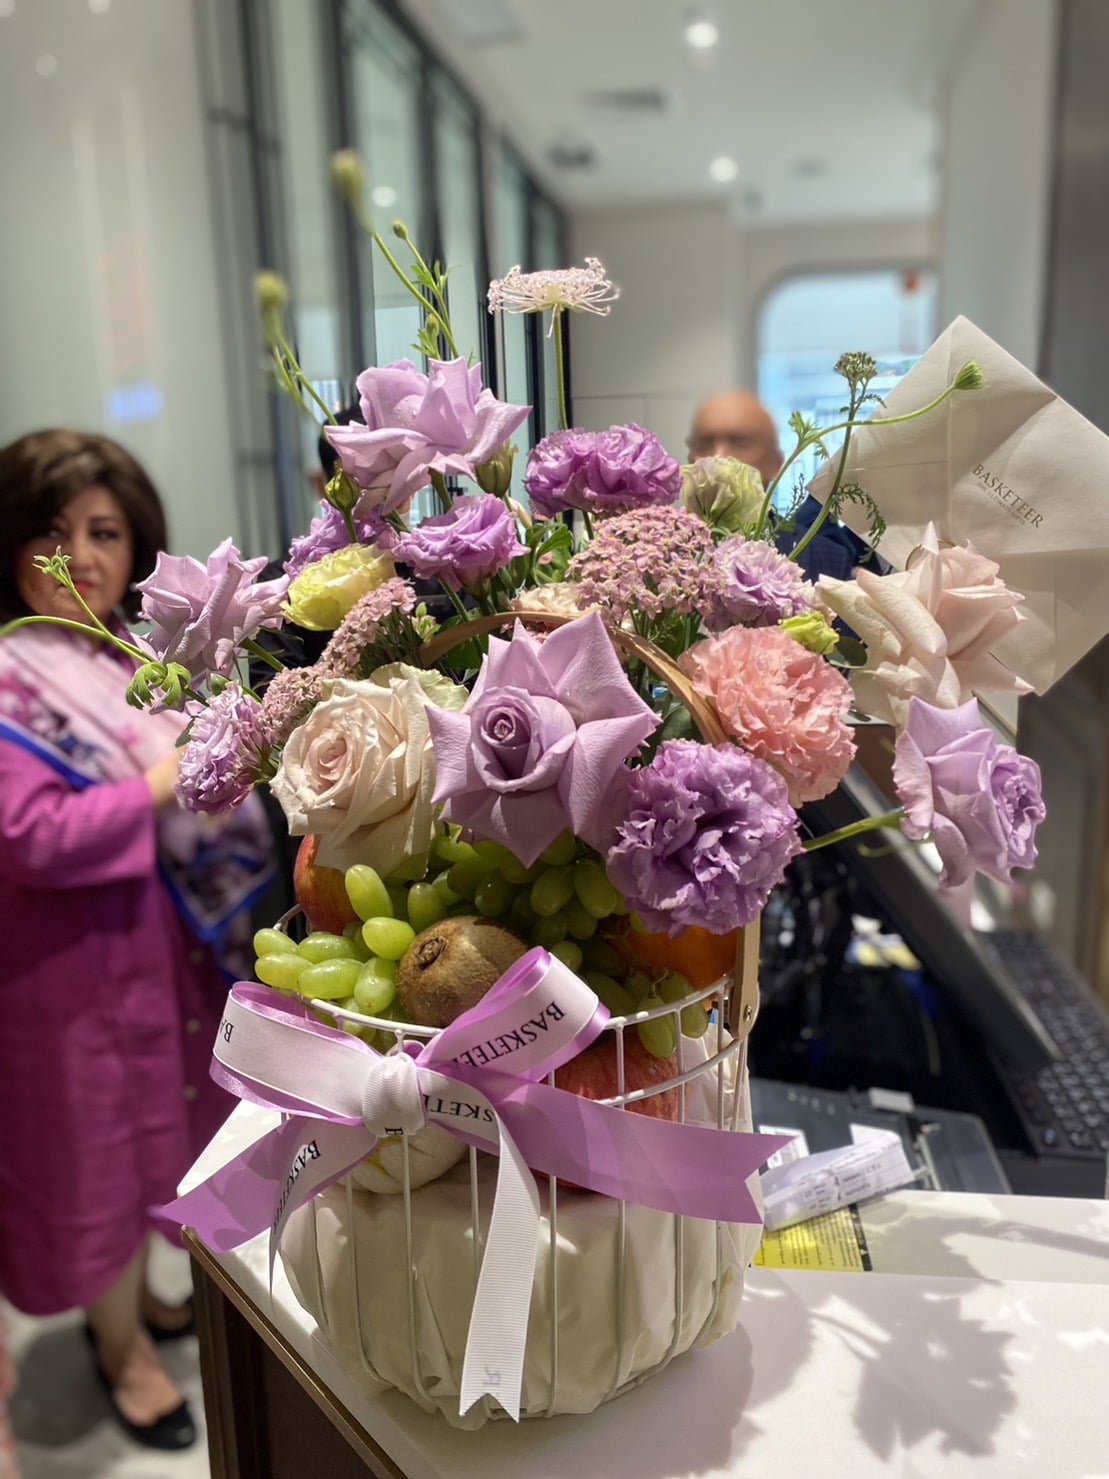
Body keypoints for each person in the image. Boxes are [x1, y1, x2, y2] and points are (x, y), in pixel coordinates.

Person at [0, 430, 273, 1453]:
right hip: (66, 975)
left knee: (171, 1137)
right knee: (94, 1161)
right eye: (51, 533)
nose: (80, 557)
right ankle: (120, 1350)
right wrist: (158, 788)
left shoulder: (139, 657)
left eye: (103, 531)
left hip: (173, 956)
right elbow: (27, 837)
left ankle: (150, 1304)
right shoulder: (10, 679)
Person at [687, 389, 873, 581]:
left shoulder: (827, 559)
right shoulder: (661, 551)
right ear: (691, 457)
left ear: (775, 463)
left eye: (739, 443)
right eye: (704, 444)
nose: (720, 456)